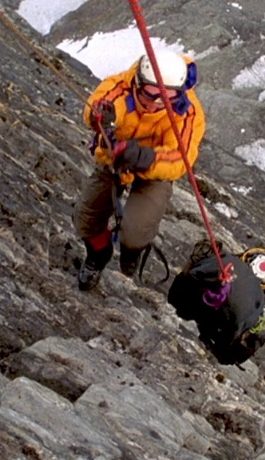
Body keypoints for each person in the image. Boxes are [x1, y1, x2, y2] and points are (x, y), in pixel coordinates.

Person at [74, 48, 205, 290]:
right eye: (150, 94)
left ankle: (131, 249)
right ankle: (99, 255)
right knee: (86, 219)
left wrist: (143, 157)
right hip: (115, 159)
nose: (157, 103)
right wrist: (101, 118)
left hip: (154, 169)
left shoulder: (187, 113)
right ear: (137, 83)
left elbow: (180, 159)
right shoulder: (120, 86)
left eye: (166, 97)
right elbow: (97, 107)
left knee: (136, 231)